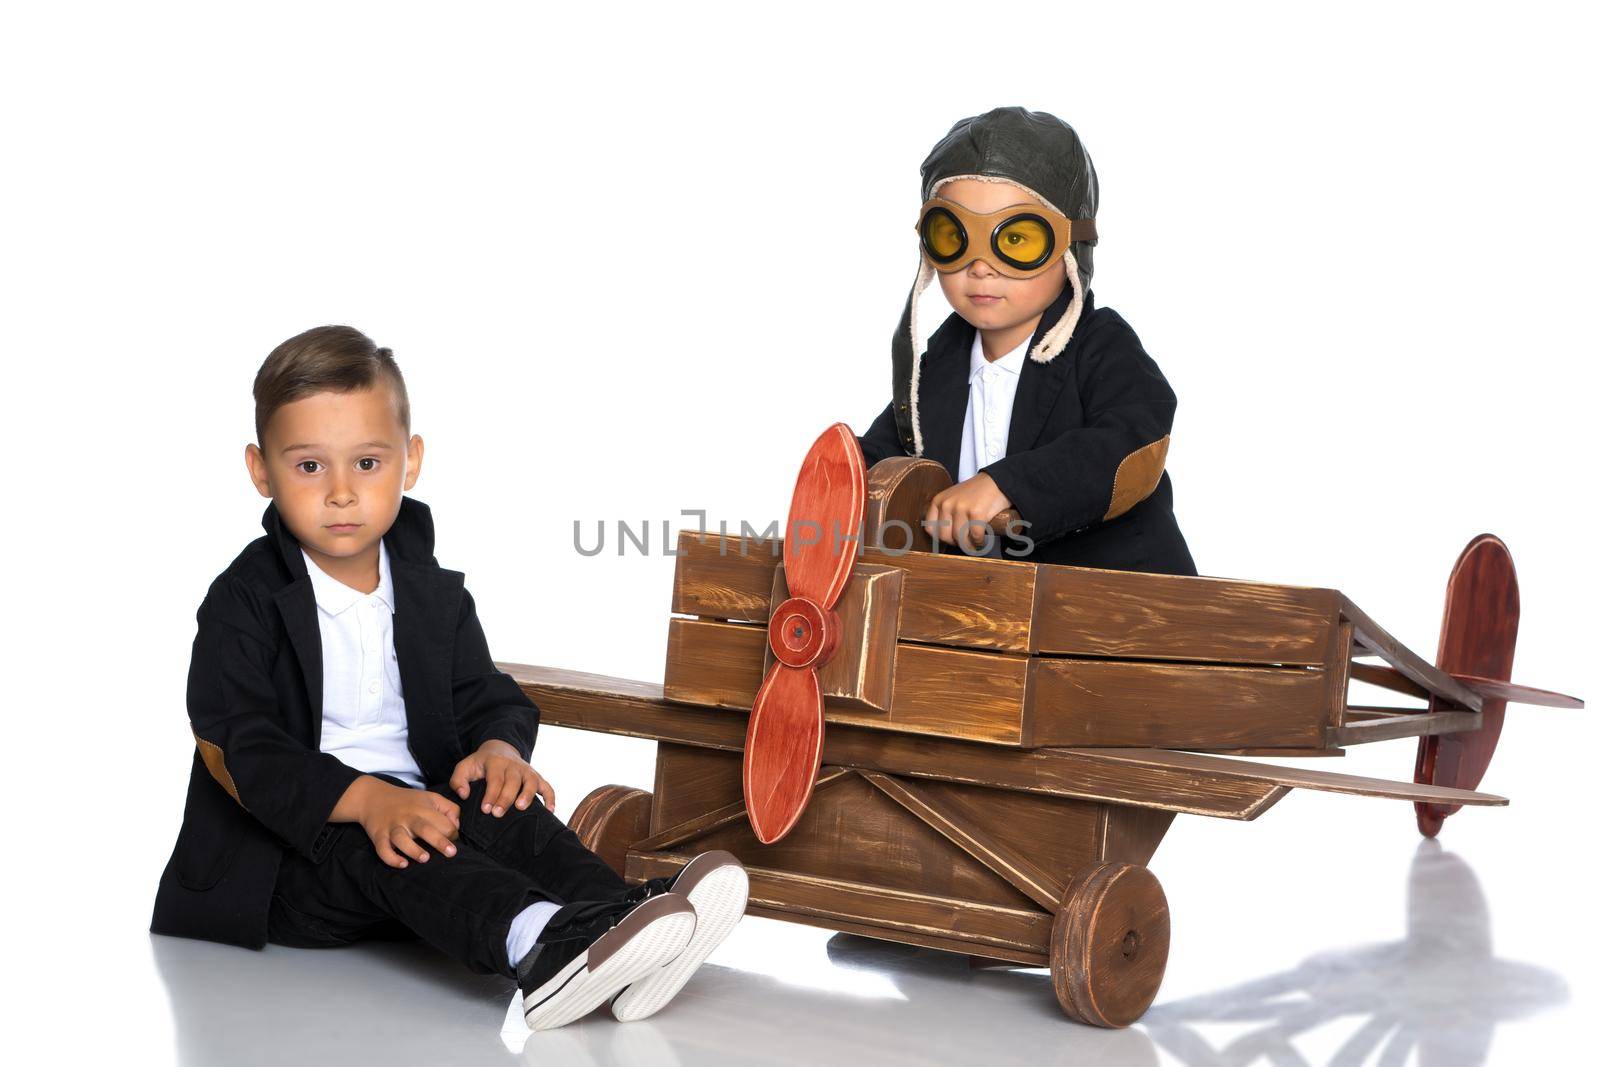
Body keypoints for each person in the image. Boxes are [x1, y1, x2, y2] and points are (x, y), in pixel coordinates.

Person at [149, 325, 749, 1030]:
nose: (341, 492)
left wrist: (499, 750)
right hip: (296, 862)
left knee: (497, 806)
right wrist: (367, 799)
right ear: (261, 470)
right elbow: (242, 747)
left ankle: (622, 922)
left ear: (411, 461)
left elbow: (484, 692)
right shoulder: (243, 601)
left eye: (367, 462)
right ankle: (540, 948)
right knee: (403, 837)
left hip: (416, 811)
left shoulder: (430, 591)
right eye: (310, 467)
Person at [858, 107, 1197, 575]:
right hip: (995, 615)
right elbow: (885, 454)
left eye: (1015, 240)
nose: (980, 267)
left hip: (1118, 601)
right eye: (953, 235)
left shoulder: (1099, 344)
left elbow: (1132, 438)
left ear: (1071, 247)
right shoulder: (941, 363)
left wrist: (1006, 485)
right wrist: (841, 477)